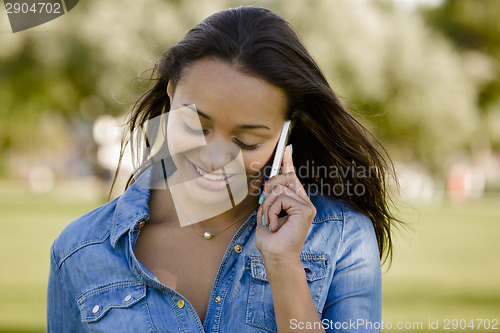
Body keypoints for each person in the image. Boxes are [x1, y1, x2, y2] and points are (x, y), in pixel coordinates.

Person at [47, 6, 400, 333]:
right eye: (195, 127)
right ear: (172, 93)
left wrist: (283, 266)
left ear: (285, 134)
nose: (215, 156)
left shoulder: (342, 238)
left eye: (247, 142)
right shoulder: (79, 250)